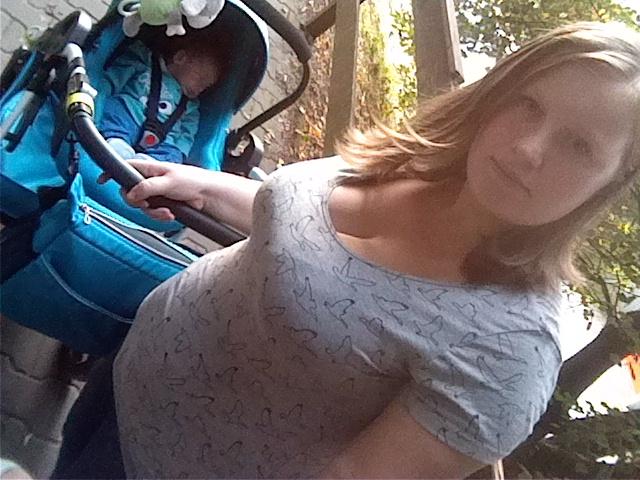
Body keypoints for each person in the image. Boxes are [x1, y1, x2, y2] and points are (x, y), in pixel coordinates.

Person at [56, 21, 640, 478]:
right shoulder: (425, 160)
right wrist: (203, 185)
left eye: (579, 146)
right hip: (125, 374)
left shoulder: (509, 351)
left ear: (610, 182)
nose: (529, 148)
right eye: (529, 105)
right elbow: (303, 226)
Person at [99, 25, 231, 164]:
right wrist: (102, 93)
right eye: (200, 79)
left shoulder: (191, 107)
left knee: (174, 154)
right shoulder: (146, 61)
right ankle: (117, 142)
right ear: (180, 58)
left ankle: (151, 163)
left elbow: (187, 136)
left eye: (206, 86)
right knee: (115, 108)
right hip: (130, 113)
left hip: (164, 138)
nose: (201, 87)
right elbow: (115, 77)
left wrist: (180, 150)